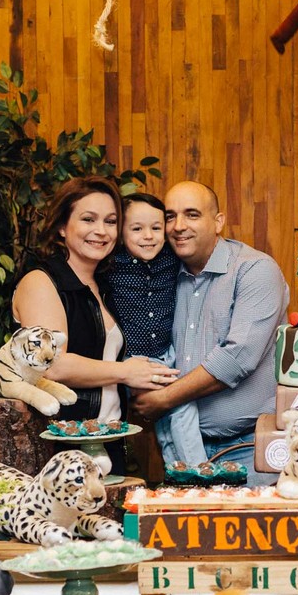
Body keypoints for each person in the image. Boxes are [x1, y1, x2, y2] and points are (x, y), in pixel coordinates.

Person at [12, 176, 178, 470]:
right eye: (88, 219)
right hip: (59, 447)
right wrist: (126, 372)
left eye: (110, 221)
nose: (101, 231)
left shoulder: (107, 284)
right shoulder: (41, 282)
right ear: (62, 227)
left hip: (108, 440)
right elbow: (51, 365)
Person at [131, 181, 289, 485]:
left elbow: (237, 358)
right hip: (180, 445)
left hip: (248, 449)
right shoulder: (162, 276)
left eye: (192, 214)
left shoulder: (255, 270)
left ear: (218, 222)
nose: (178, 226)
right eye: (170, 216)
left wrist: (163, 399)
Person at [102, 193, 208, 467]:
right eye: (137, 229)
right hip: (132, 359)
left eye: (156, 228)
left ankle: (178, 474)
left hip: (166, 353)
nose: (148, 236)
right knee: (182, 405)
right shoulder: (111, 265)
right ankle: (199, 473)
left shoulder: (171, 258)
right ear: (121, 233)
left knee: (167, 412)